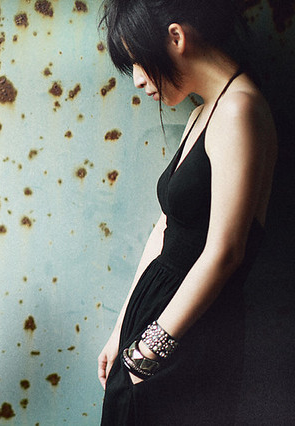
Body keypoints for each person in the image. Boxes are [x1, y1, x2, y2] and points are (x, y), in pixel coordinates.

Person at [96, 0, 278, 424]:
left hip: (189, 336)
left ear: (176, 37)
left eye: (139, 61)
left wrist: (150, 350)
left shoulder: (239, 109)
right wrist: (121, 330)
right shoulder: (203, 112)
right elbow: (165, 228)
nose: (138, 80)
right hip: (154, 325)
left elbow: (225, 252)